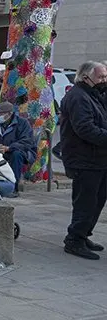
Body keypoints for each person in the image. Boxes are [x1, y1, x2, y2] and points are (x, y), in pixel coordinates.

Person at [59, 61, 107, 260]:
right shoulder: (78, 97)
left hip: (99, 159)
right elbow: (85, 128)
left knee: (97, 201)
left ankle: (83, 234)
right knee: (85, 202)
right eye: (101, 77)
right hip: (84, 160)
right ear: (86, 77)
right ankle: (74, 240)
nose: (104, 80)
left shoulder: (94, 95)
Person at [0, 101, 36, 196]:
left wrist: (9, 148)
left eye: (0, 114)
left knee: (16, 155)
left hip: (20, 151)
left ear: (10, 114)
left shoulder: (22, 123)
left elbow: (26, 141)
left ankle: (14, 188)